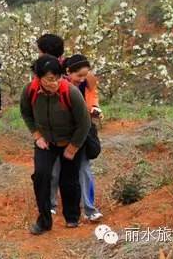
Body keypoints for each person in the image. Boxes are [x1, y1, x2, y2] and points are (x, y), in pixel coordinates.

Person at [20, 55, 91, 235]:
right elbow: (26, 114)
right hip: (46, 142)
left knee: (69, 180)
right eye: (50, 79)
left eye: (58, 77)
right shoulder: (30, 91)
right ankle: (44, 221)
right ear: (39, 78)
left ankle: (72, 217)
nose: (55, 82)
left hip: (70, 140)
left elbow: (85, 123)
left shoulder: (70, 92)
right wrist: (37, 136)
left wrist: (73, 147)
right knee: (41, 177)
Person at [50, 54, 103, 221]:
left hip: (81, 133)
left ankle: (90, 209)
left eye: (85, 75)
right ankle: (50, 204)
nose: (82, 79)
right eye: (79, 75)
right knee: (55, 170)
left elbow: (93, 99)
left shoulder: (88, 83)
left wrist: (95, 109)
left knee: (84, 170)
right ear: (68, 72)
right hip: (60, 134)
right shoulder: (57, 86)